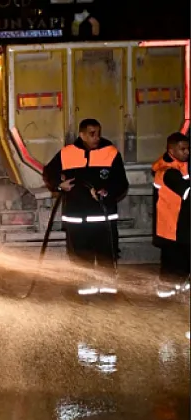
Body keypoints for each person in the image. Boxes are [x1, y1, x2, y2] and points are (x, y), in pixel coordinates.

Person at [43, 118, 129, 296]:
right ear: (82, 135)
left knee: (106, 255)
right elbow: (49, 172)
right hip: (77, 217)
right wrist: (60, 185)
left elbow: (121, 183)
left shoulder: (111, 152)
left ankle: (107, 291)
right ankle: (85, 288)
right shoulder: (67, 153)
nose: (96, 137)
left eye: (98, 133)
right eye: (91, 134)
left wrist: (106, 192)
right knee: (80, 255)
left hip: (103, 218)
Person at [152, 132, 190, 297]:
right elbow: (187, 192)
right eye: (183, 149)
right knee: (172, 263)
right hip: (171, 226)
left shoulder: (180, 166)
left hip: (179, 224)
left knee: (181, 262)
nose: (187, 152)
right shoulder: (168, 171)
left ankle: (177, 289)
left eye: (188, 149)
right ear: (171, 150)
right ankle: (166, 292)